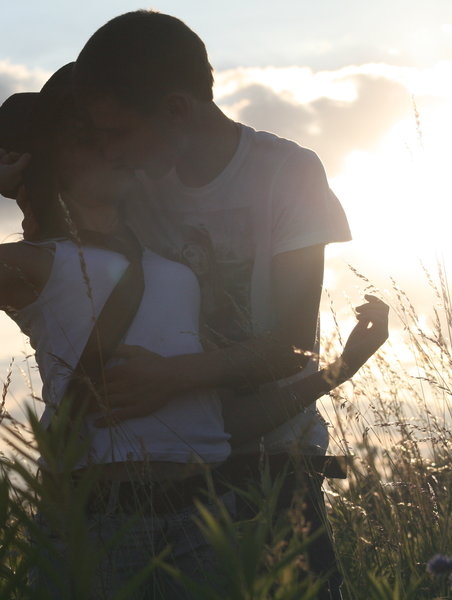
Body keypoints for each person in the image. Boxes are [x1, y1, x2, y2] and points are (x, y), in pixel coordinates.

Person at [73, 10, 358, 598]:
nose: (110, 152)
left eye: (118, 133)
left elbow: (294, 343)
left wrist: (170, 380)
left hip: (274, 460)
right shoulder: (130, 183)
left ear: (176, 109)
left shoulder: (288, 172)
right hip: (172, 475)